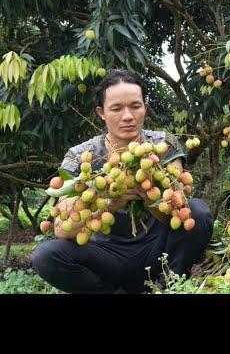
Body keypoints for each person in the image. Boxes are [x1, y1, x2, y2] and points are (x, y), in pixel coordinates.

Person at [31, 69, 214, 293]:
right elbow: (62, 229)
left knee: (198, 212)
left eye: (135, 106)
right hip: (107, 257)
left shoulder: (163, 145)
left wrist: (149, 198)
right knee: (46, 255)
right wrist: (109, 203)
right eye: (116, 108)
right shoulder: (81, 157)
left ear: (145, 107)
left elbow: (180, 208)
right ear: (101, 112)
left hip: (157, 250)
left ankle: (168, 286)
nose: (128, 116)